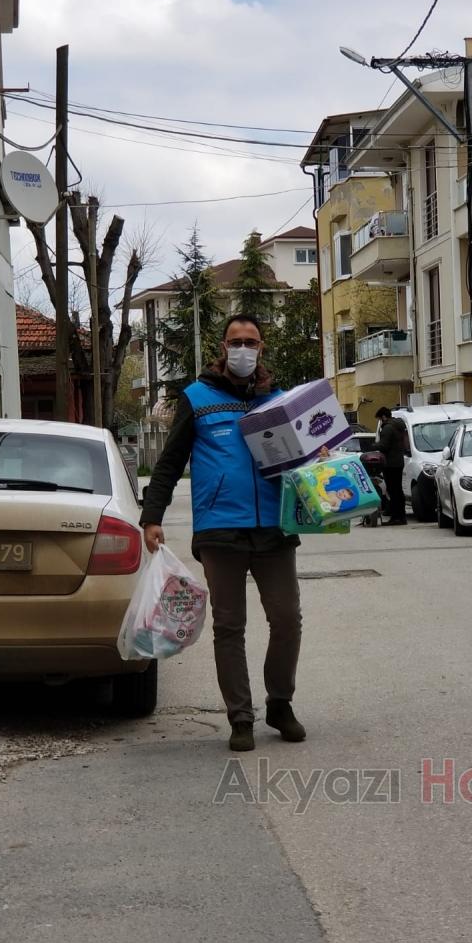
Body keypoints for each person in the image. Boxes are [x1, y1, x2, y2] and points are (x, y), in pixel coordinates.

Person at [139, 314, 305, 753]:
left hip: (274, 526)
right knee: (230, 626)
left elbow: (301, 461)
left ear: (262, 347)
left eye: (251, 341)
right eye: (236, 341)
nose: (244, 349)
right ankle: (240, 716)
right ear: (223, 347)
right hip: (219, 528)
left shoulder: (279, 399)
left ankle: (280, 703)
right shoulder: (196, 397)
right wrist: (151, 516)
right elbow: (170, 461)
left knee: (287, 620)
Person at [374, 406, 407, 525]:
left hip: (390, 464)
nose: (380, 422)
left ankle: (396, 517)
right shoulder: (398, 426)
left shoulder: (388, 428)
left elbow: (384, 446)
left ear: (383, 416)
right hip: (398, 462)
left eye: (379, 419)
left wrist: (373, 446)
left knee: (393, 491)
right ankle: (401, 516)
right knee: (398, 490)